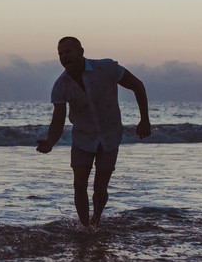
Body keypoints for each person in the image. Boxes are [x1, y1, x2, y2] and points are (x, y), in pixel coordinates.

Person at [36, 36, 151, 227]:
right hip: (82, 138)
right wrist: (50, 142)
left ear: (81, 52)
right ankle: (85, 228)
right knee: (79, 184)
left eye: (68, 51)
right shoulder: (61, 85)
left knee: (100, 188)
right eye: (60, 53)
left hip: (110, 136)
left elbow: (137, 86)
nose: (64, 56)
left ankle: (96, 220)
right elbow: (58, 119)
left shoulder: (106, 68)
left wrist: (144, 120)